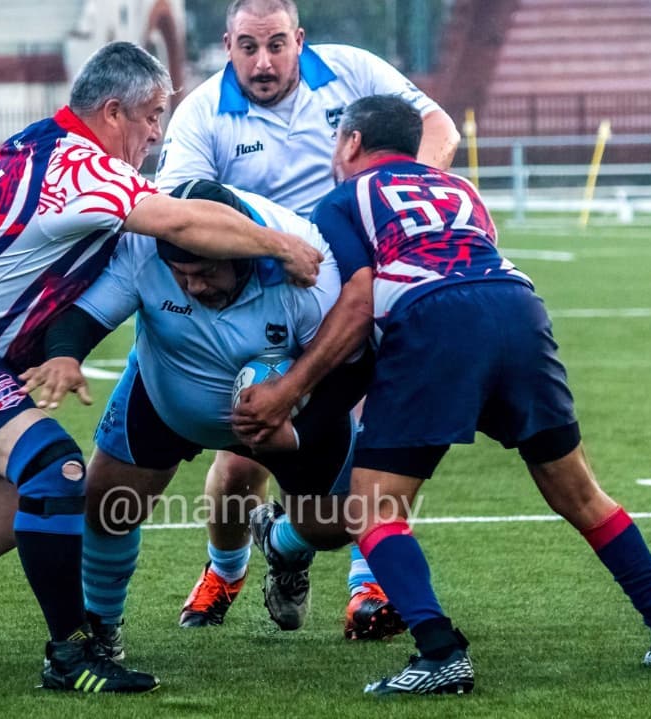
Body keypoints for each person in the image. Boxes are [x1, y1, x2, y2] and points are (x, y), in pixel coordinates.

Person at [0, 42, 321, 694]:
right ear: (113, 109)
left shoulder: (44, 144)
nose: (158, 131)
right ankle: (71, 654)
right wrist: (281, 245)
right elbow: (179, 217)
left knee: (1, 518)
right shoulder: (80, 167)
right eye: (153, 115)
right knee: (59, 471)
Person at [232, 94, 651, 696]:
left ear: (351, 143)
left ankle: (440, 654)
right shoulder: (460, 190)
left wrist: (288, 390)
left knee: (371, 508)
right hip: (519, 308)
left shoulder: (342, 198)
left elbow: (358, 302)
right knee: (580, 494)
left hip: (435, 318)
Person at [156, 0, 462, 639]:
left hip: (355, 290)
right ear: (228, 43)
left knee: (372, 439)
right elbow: (184, 209)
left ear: (299, 38)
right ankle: (228, 567)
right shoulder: (202, 112)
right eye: (247, 47)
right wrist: (272, 244)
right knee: (244, 458)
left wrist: (396, 202)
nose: (262, 62)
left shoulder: (353, 70)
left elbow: (438, 128)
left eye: (275, 45)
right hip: (262, 296)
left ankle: (366, 584)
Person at [20, 180, 371, 668]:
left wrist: (297, 426)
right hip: (167, 396)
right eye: (180, 274)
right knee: (107, 505)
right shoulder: (145, 248)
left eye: (206, 272)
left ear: (244, 255)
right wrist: (64, 356)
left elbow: (351, 364)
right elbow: (85, 315)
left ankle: (279, 540)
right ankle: (101, 629)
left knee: (338, 525)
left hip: (285, 410)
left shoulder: (307, 268)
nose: (193, 286)